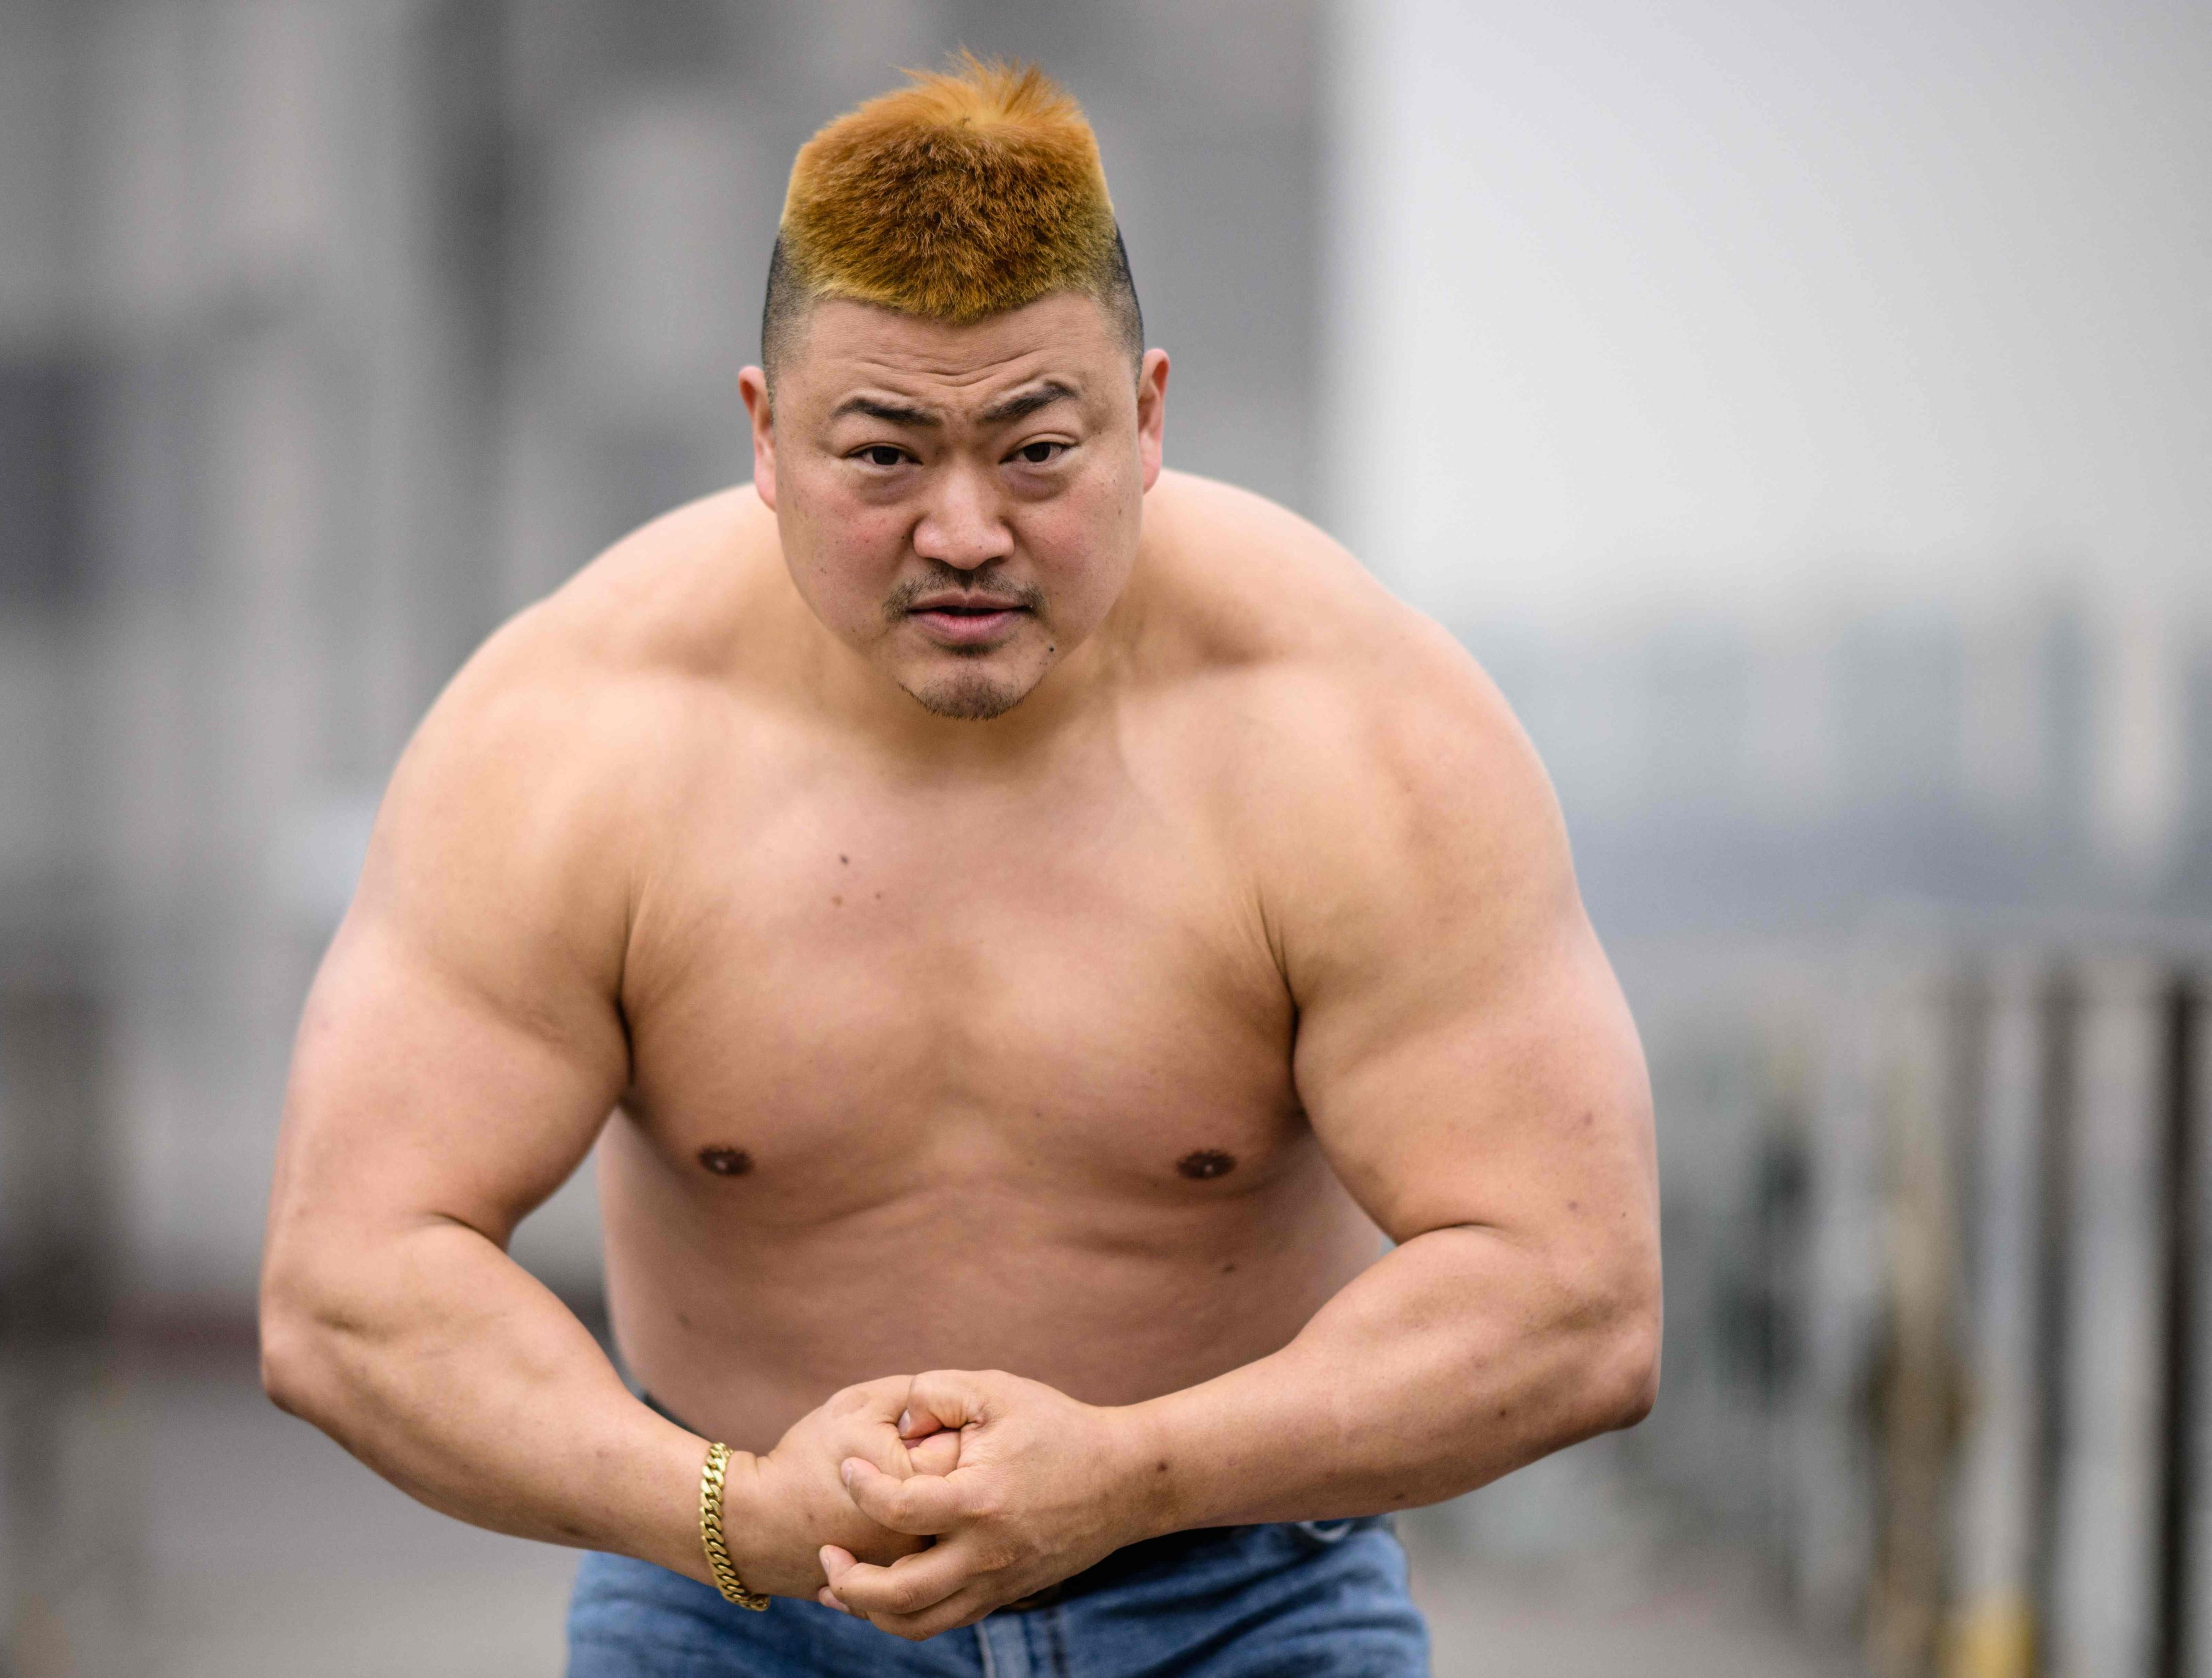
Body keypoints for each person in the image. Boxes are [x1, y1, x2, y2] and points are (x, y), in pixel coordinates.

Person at [259, 53, 1660, 1677]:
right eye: (884, 455)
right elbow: (347, 1283)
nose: (967, 527)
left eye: (1034, 447)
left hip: (1247, 1595)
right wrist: (733, 1508)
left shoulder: (1352, 730)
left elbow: (1576, 1291)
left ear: (1144, 417)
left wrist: (1145, 1470)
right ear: (767, 435)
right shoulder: (578, 737)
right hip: (738, 1599)